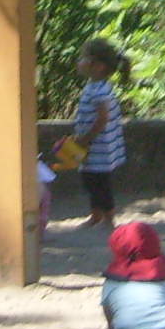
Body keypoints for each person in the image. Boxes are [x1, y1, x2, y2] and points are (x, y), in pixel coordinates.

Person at [71, 37, 130, 227]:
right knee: (90, 180)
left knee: (100, 183)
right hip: (94, 147)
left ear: (98, 66)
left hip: (98, 148)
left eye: (83, 58)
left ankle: (109, 216)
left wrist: (85, 139)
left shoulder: (99, 91)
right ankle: (96, 214)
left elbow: (102, 118)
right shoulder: (95, 86)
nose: (79, 62)